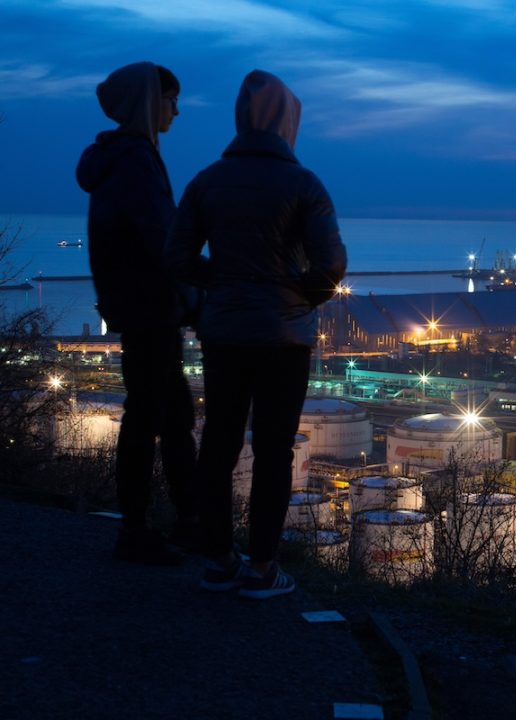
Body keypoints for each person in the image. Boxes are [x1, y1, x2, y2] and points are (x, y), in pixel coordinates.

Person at [166, 70, 347, 599]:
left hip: (223, 333)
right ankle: (263, 566)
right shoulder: (304, 183)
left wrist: (219, 286)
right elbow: (332, 261)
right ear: (289, 124)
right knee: (273, 451)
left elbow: (175, 257)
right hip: (284, 338)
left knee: (217, 443)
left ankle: (219, 558)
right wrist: (299, 295)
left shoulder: (206, 181)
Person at [76, 62, 199, 566]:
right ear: (150, 103)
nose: (176, 109)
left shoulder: (118, 158)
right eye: (170, 99)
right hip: (151, 307)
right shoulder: (136, 160)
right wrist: (199, 289)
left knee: (168, 414)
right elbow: (162, 239)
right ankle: (144, 528)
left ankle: (180, 521)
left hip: (138, 305)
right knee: (153, 416)